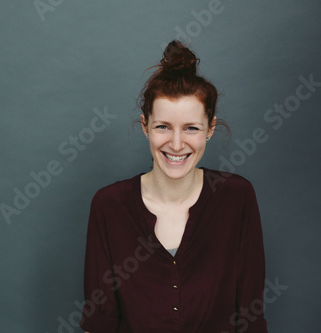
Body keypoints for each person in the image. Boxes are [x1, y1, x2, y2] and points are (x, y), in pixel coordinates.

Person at [79, 40, 268, 332]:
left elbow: (251, 318)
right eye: (163, 126)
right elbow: (100, 323)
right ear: (145, 126)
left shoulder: (237, 198)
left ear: (210, 128)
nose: (177, 144)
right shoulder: (109, 206)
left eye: (191, 128)